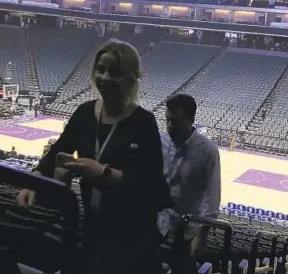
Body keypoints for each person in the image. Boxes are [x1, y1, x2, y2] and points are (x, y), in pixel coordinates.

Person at [16, 39, 172, 274]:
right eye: (101, 69)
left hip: (130, 230)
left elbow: (150, 186)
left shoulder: (144, 123)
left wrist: (103, 173)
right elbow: (58, 149)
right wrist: (36, 180)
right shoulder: (84, 113)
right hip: (91, 221)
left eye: (115, 72)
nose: (105, 78)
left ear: (132, 78)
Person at [158, 94, 221, 274]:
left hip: (186, 234)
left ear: (191, 119)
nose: (170, 126)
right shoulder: (159, 140)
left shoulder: (208, 150)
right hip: (157, 227)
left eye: (175, 121)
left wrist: (201, 237)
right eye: (167, 120)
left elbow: (212, 198)